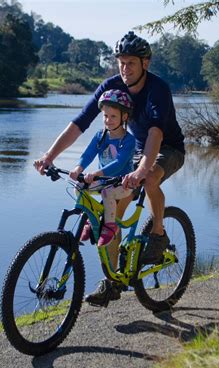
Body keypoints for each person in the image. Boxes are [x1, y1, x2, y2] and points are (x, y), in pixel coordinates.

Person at [34, 31, 185, 307]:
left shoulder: (157, 89)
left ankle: (159, 233)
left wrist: (141, 171)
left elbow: (155, 134)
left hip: (168, 147)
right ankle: (114, 280)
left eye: (131, 64)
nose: (125, 69)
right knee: (109, 217)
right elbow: (80, 123)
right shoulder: (111, 87)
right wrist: (49, 155)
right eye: (121, 63)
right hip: (136, 150)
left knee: (150, 177)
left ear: (145, 64)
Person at [69, 89, 135, 247]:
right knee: (79, 186)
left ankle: (110, 227)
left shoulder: (128, 140)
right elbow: (89, 153)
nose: (108, 120)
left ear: (124, 117)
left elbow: (119, 163)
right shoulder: (101, 136)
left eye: (113, 116)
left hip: (123, 184)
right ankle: (92, 220)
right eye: (105, 116)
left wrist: (96, 173)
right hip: (104, 181)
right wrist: (79, 168)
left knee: (107, 193)